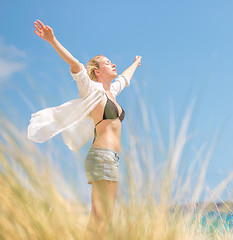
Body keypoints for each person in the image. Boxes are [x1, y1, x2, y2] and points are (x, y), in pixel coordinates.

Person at [28, 19, 142, 238]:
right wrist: (53, 40)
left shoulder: (112, 94)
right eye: (107, 63)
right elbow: (77, 67)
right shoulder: (92, 91)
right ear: (98, 72)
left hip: (112, 158)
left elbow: (125, 79)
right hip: (101, 156)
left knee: (104, 215)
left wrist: (135, 63)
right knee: (103, 215)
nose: (113, 64)